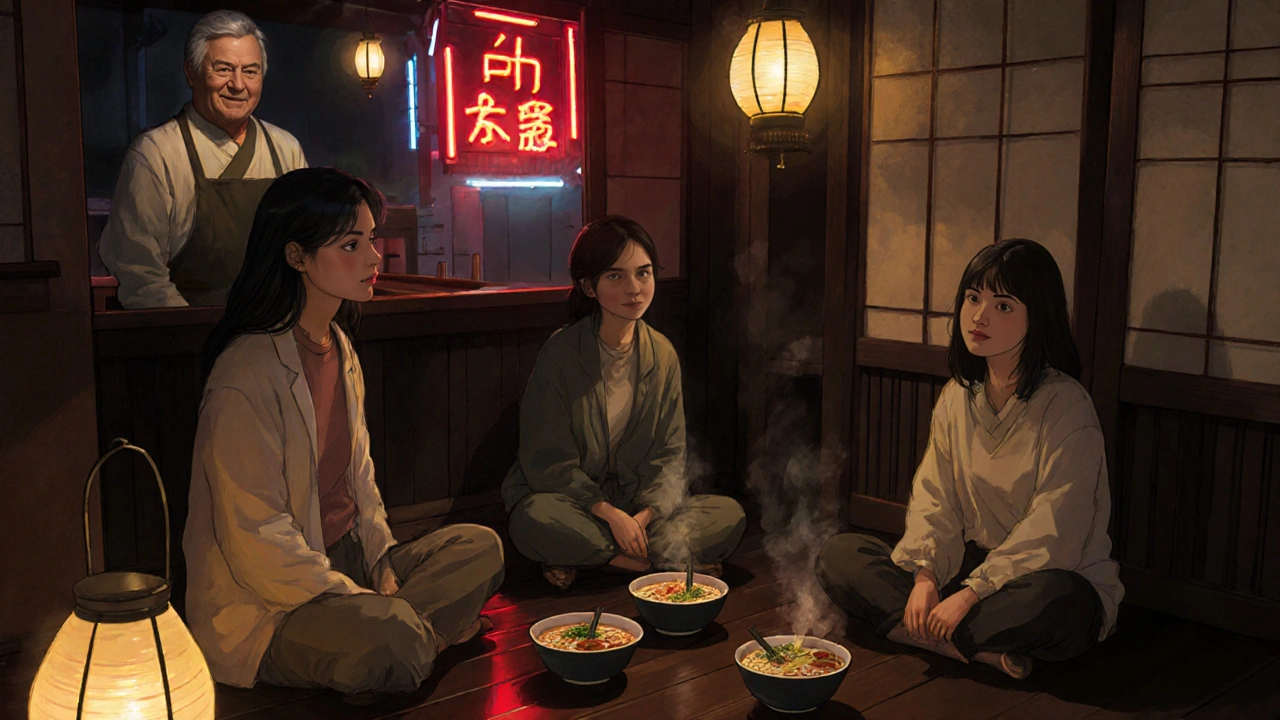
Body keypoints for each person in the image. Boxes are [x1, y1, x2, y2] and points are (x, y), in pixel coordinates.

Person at [183, 167, 504, 705]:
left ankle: (398, 646)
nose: (375, 258)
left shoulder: (338, 344)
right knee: (390, 636)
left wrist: (379, 564)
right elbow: (257, 542)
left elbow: (361, 479)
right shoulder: (246, 371)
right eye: (352, 244)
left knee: (482, 547)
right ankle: (408, 642)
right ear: (296, 256)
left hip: (349, 560)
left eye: (371, 240)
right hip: (272, 602)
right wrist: (354, 597)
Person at [815, 239, 1123, 680]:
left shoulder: (1067, 406)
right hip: (967, 570)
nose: (979, 316)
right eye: (973, 298)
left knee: (1059, 600)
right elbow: (934, 498)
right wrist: (924, 578)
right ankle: (978, 650)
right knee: (839, 554)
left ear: (1039, 317)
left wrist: (971, 594)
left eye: (1003, 306)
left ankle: (918, 633)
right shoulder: (958, 397)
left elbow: (1055, 532)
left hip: (1041, 577)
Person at [501, 215, 747, 590]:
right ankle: (645, 564)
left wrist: (644, 516)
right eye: (616, 276)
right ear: (588, 286)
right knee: (534, 517)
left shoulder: (661, 353)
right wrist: (608, 514)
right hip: (578, 506)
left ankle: (603, 560)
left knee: (728, 515)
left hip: (639, 510)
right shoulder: (562, 353)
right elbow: (546, 461)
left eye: (643, 273)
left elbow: (670, 455)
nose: (634, 289)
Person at [99, 10, 307, 308]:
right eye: (223, 69)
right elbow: (141, 275)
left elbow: (311, 251)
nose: (238, 84)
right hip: (191, 338)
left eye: (250, 71)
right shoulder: (156, 153)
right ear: (191, 73)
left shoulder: (286, 149)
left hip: (277, 333)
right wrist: (206, 339)